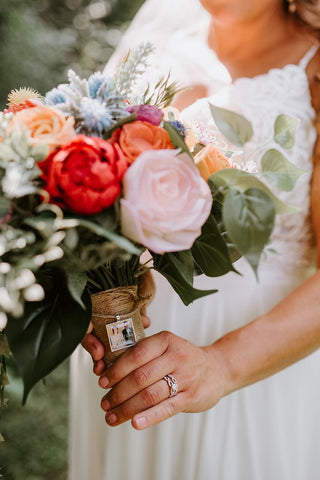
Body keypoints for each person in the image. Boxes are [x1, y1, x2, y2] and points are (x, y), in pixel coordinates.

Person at [69, 0, 320, 479]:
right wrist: (99, 282)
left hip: (251, 375)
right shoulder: (157, 43)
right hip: (125, 356)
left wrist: (221, 365)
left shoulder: (316, 67)